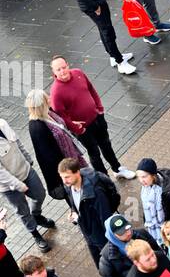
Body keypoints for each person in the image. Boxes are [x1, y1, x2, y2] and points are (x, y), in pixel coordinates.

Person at [48, 59, 135, 187]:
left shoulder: (78, 73)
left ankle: (117, 169)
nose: (62, 71)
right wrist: (76, 128)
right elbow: (61, 117)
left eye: (63, 67)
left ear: (68, 65)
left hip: (97, 118)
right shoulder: (56, 92)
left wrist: (100, 109)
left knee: (106, 145)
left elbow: (91, 90)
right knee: (94, 153)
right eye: (58, 70)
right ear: (54, 72)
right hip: (82, 129)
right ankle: (104, 179)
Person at [56, 157, 121, 269]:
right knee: (101, 266)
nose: (64, 181)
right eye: (62, 177)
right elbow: (76, 204)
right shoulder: (70, 187)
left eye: (67, 177)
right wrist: (73, 212)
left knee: (111, 266)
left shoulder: (95, 192)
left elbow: (105, 217)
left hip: (101, 237)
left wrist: (111, 243)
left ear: (77, 172)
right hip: (88, 233)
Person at [0, 119, 53, 253]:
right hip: (9, 186)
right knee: (22, 211)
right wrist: (19, 185)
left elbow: (17, 142)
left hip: (25, 170)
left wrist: (28, 158)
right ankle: (35, 234)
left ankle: (36, 215)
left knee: (40, 194)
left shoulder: (2, 123)